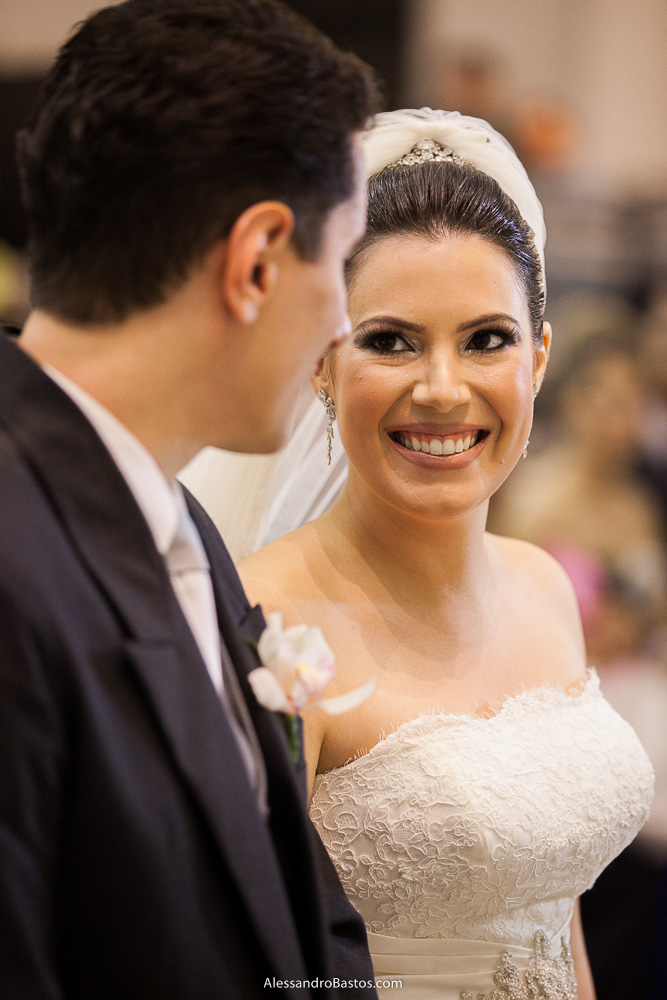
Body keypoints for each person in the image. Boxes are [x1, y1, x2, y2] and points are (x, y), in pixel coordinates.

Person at [0, 2, 381, 998]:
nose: (342, 325)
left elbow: (295, 915)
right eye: (340, 262)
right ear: (256, 261)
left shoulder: (177, 518)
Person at [232, 109, 655, 999]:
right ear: (320, 360)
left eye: (485, 340)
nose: (440, 388)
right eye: (390, 341)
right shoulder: (268, 625)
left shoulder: (542, 583)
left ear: (537, 359)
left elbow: (559, 918)